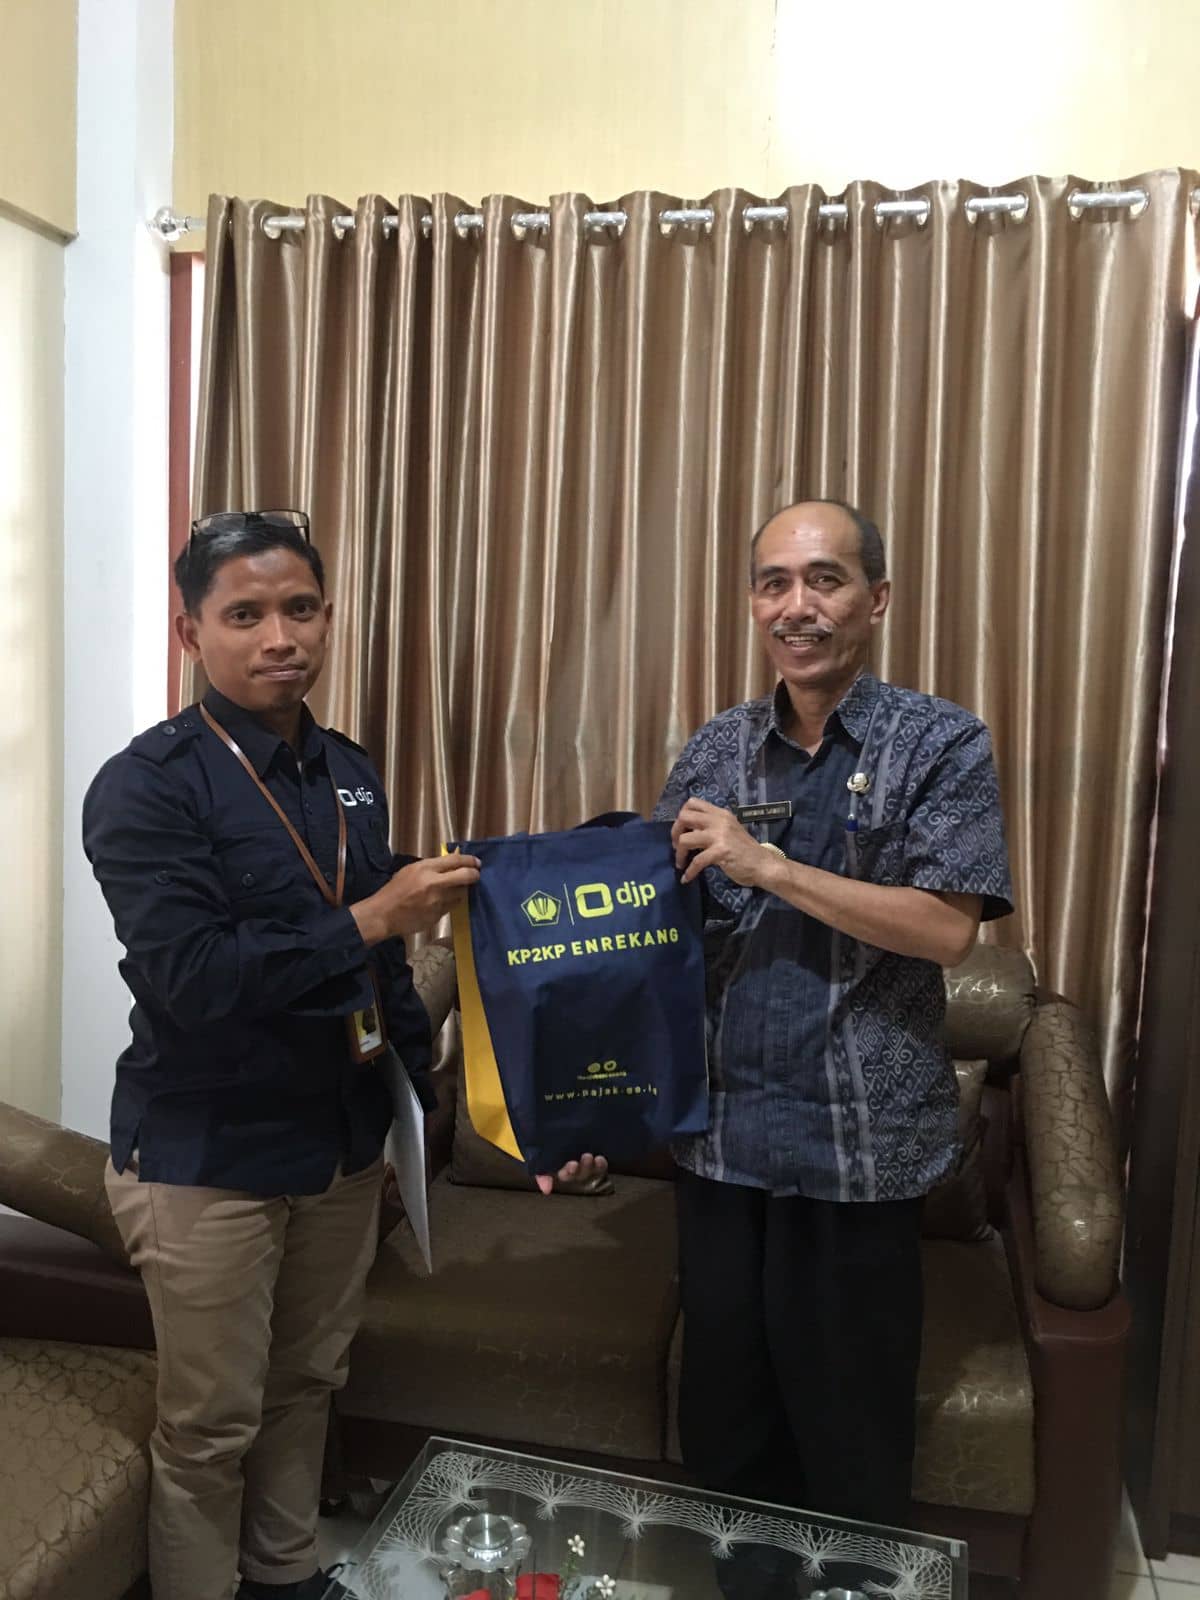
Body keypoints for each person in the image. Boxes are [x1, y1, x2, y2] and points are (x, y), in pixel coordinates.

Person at [83, 510, 481, 1600]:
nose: (279, 638)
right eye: (245, 614)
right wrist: (374, 916)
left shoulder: (347, 770)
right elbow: (195, 980)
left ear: (327, 618)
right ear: (190, 632)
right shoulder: (147, 785)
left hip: (339, 1141)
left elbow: (383, 967)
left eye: (300, 609)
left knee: (307, 1382)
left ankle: (287, 1574)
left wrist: (425, 1104)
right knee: (210, 1424)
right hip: (208, 1150)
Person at [654, 499, 1013, 1544]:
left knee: (849, 1434)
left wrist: (768, 866)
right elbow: (658, 930)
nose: (796, 606)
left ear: (877, 598)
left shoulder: (941, 742)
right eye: (774, 582)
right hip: (723, 1143)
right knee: (726, 1424)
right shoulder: (716, 749)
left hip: (859, 1152)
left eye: (825, 579)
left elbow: (946, 931)